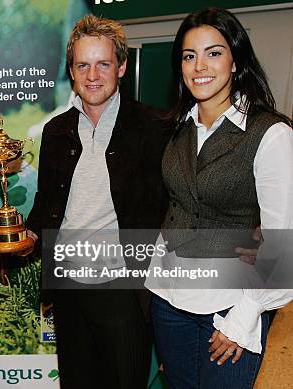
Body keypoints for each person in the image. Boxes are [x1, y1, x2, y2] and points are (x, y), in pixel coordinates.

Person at [147, 8, 293, 388]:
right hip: (168, 300)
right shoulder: (179, 126)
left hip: (230, 306)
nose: (199, 66)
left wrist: (243, 317)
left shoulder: (270, 134)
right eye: (189, 56)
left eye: (214, 53)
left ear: (236, 60)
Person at [25, 15, 171, 389]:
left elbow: (174, 204)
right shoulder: (55, 131)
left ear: (121, 66)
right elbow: (47, 204)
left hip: (123, 289)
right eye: (82, 65)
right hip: (68, 287)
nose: (92, 75)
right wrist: (18, 236)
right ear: (71, 71)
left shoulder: (154, 127)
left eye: (103, 64)